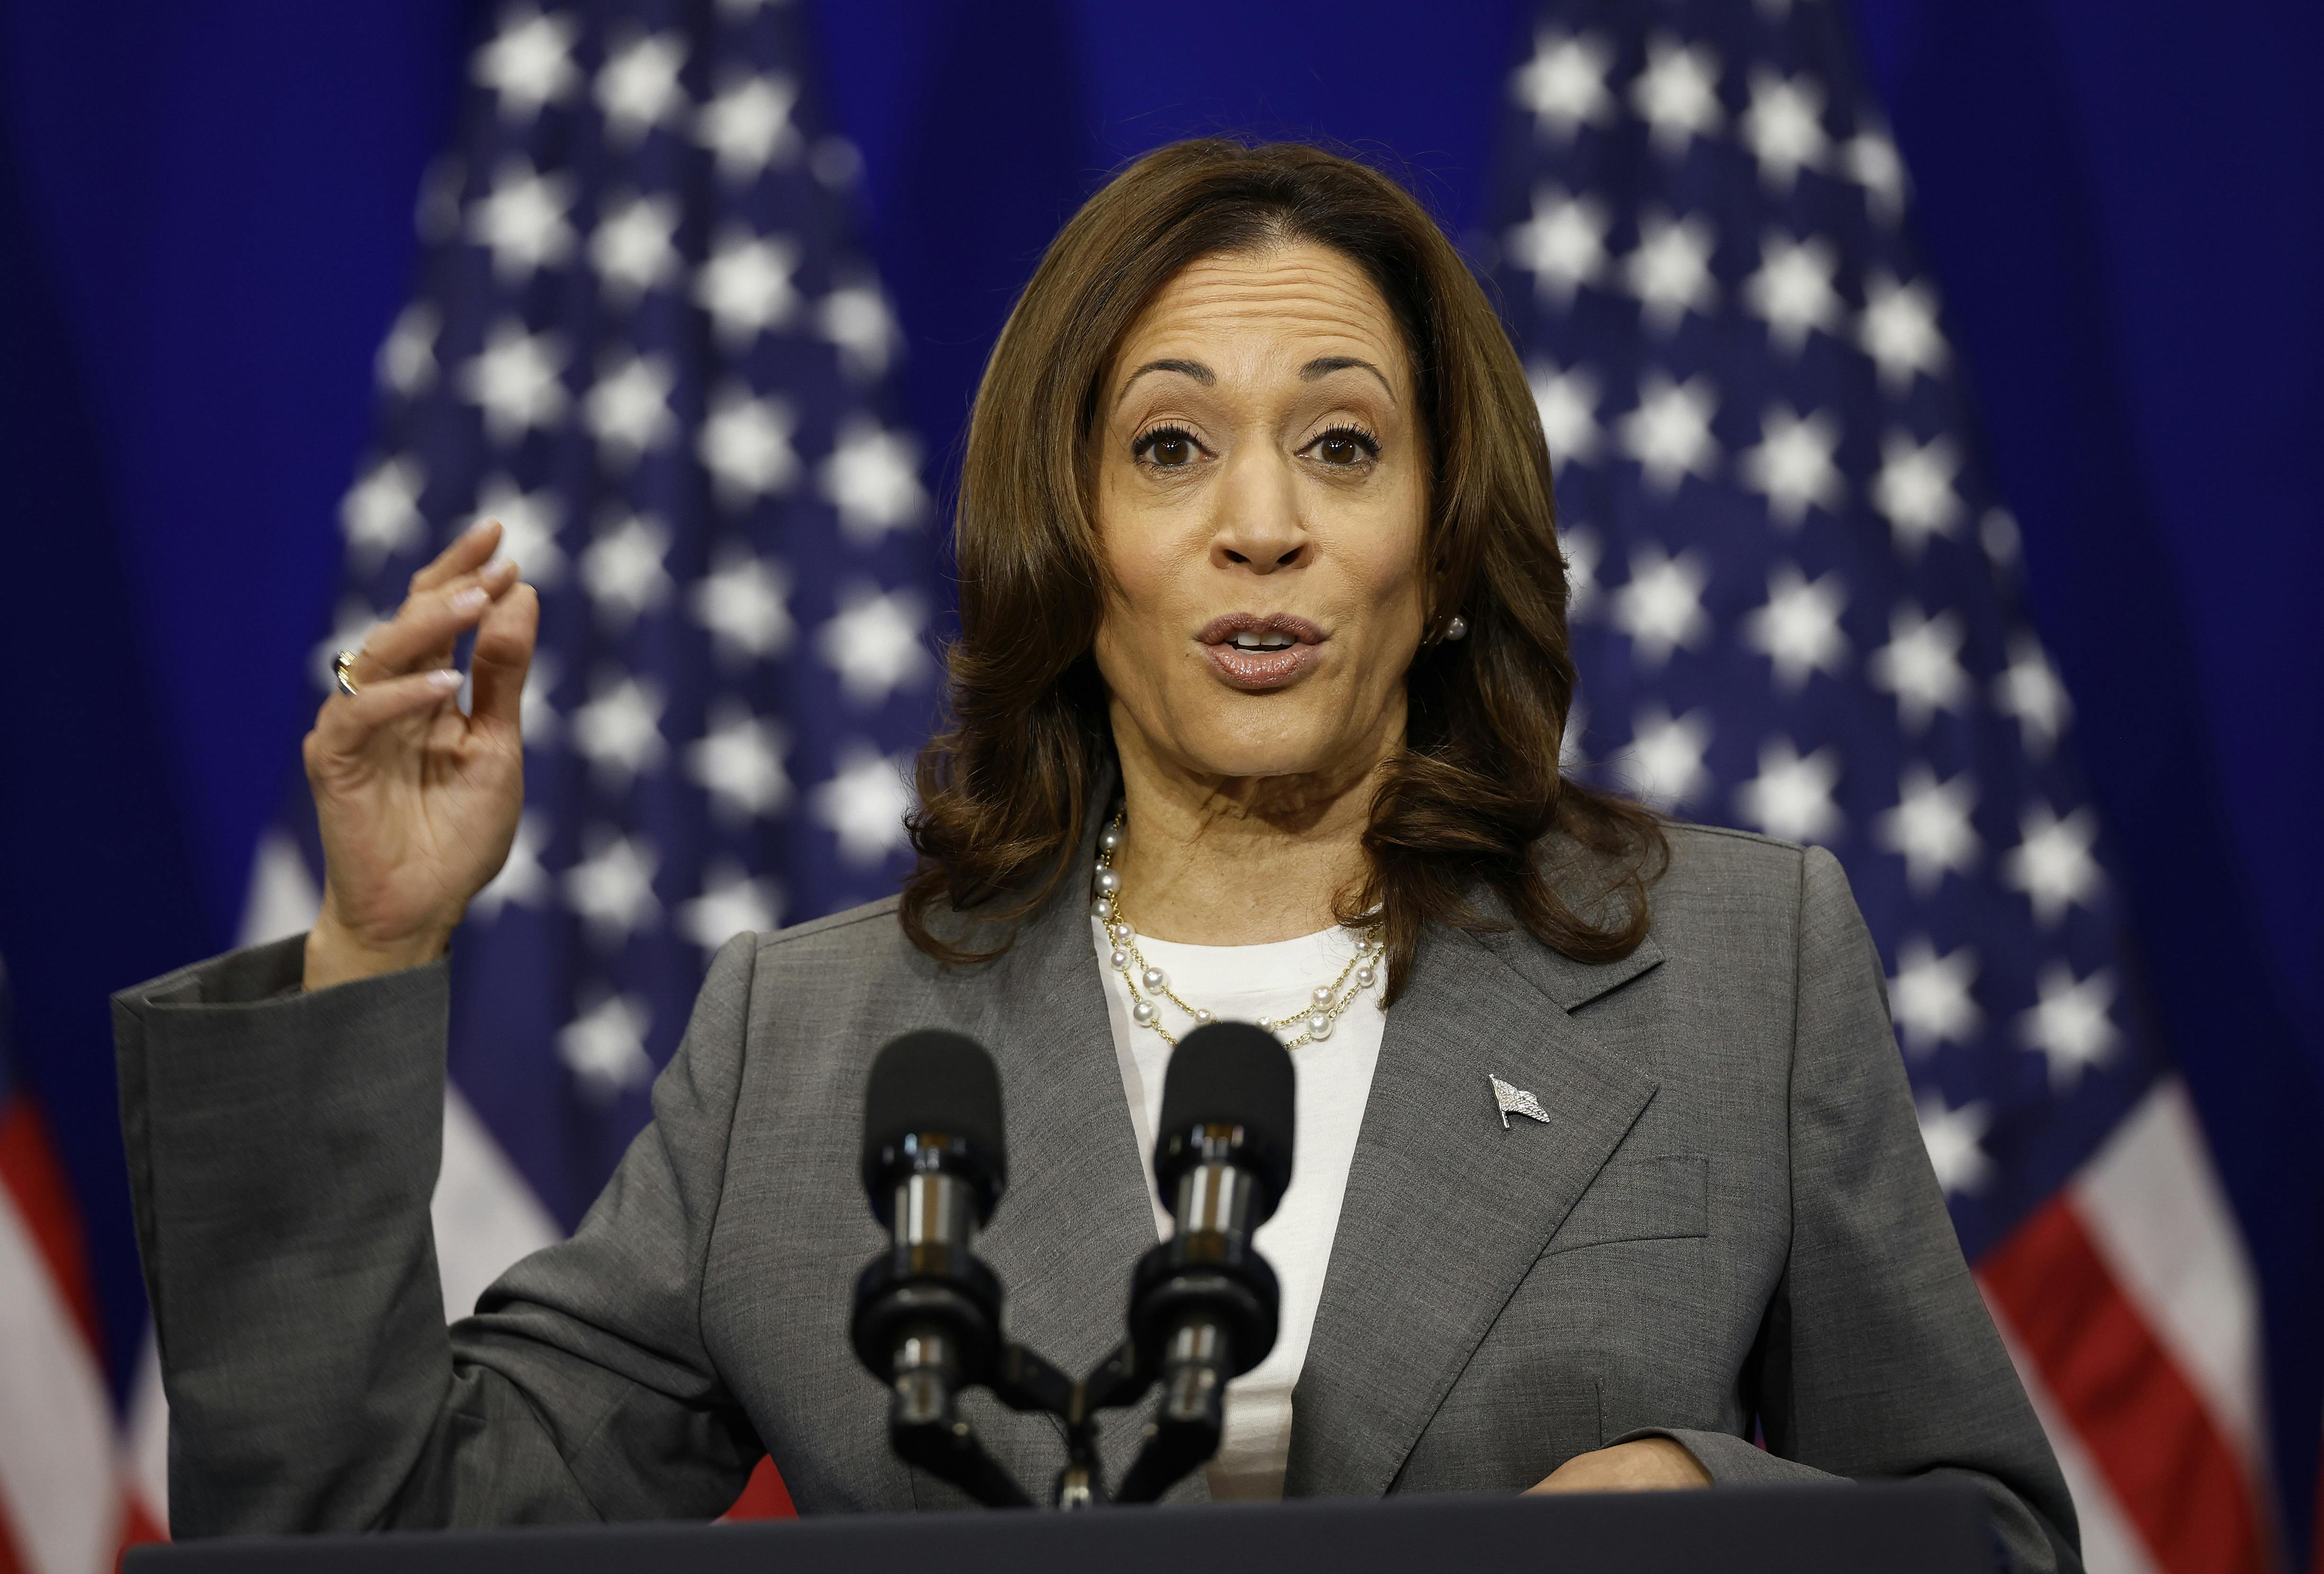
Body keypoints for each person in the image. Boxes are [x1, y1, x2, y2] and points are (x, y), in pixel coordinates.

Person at [113, 139, 2077, 1566]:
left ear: (1448, 554)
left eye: (1341, 445)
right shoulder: (813, 1042)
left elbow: (1989, 1536)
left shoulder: (1739, 968)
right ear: (1070, 547)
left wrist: (1700, 1514)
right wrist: (375, 944)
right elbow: (360, 1538)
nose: (1259, 526)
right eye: (1167, 448)